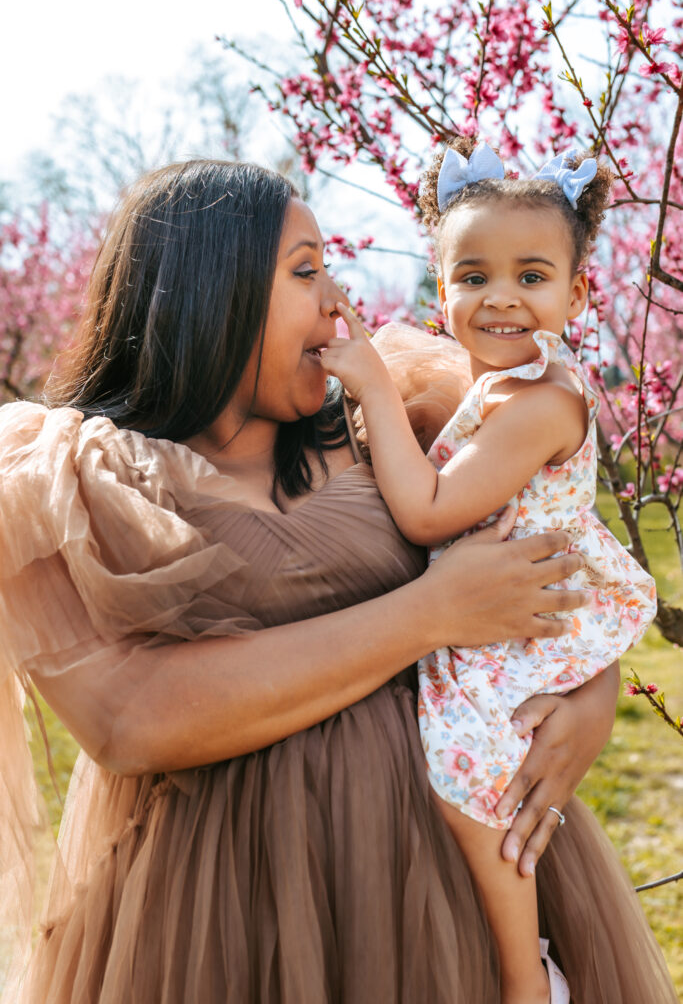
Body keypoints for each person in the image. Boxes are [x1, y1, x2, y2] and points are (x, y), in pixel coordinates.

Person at [0, 159, 676, 1004]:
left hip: (449, 890)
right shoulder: (65, 481)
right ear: (216, 288)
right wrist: (426, 613)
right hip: (222, 908)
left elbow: (545, 555)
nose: (336, 300)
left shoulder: (392, 421)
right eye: (306, 270)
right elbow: (129, 719)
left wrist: (589, 699)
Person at [321, 140, 659, 1004]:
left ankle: (524, 978)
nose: (499, 296)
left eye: (531, 276)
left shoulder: (542, 402)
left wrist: (372, 391)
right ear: (441, 288)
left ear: (578, 293)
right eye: (472, 276)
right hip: (502, 610)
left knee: (473, 786)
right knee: (472, 776)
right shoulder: (498, 392)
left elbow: (430, 511)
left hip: (514, 624)